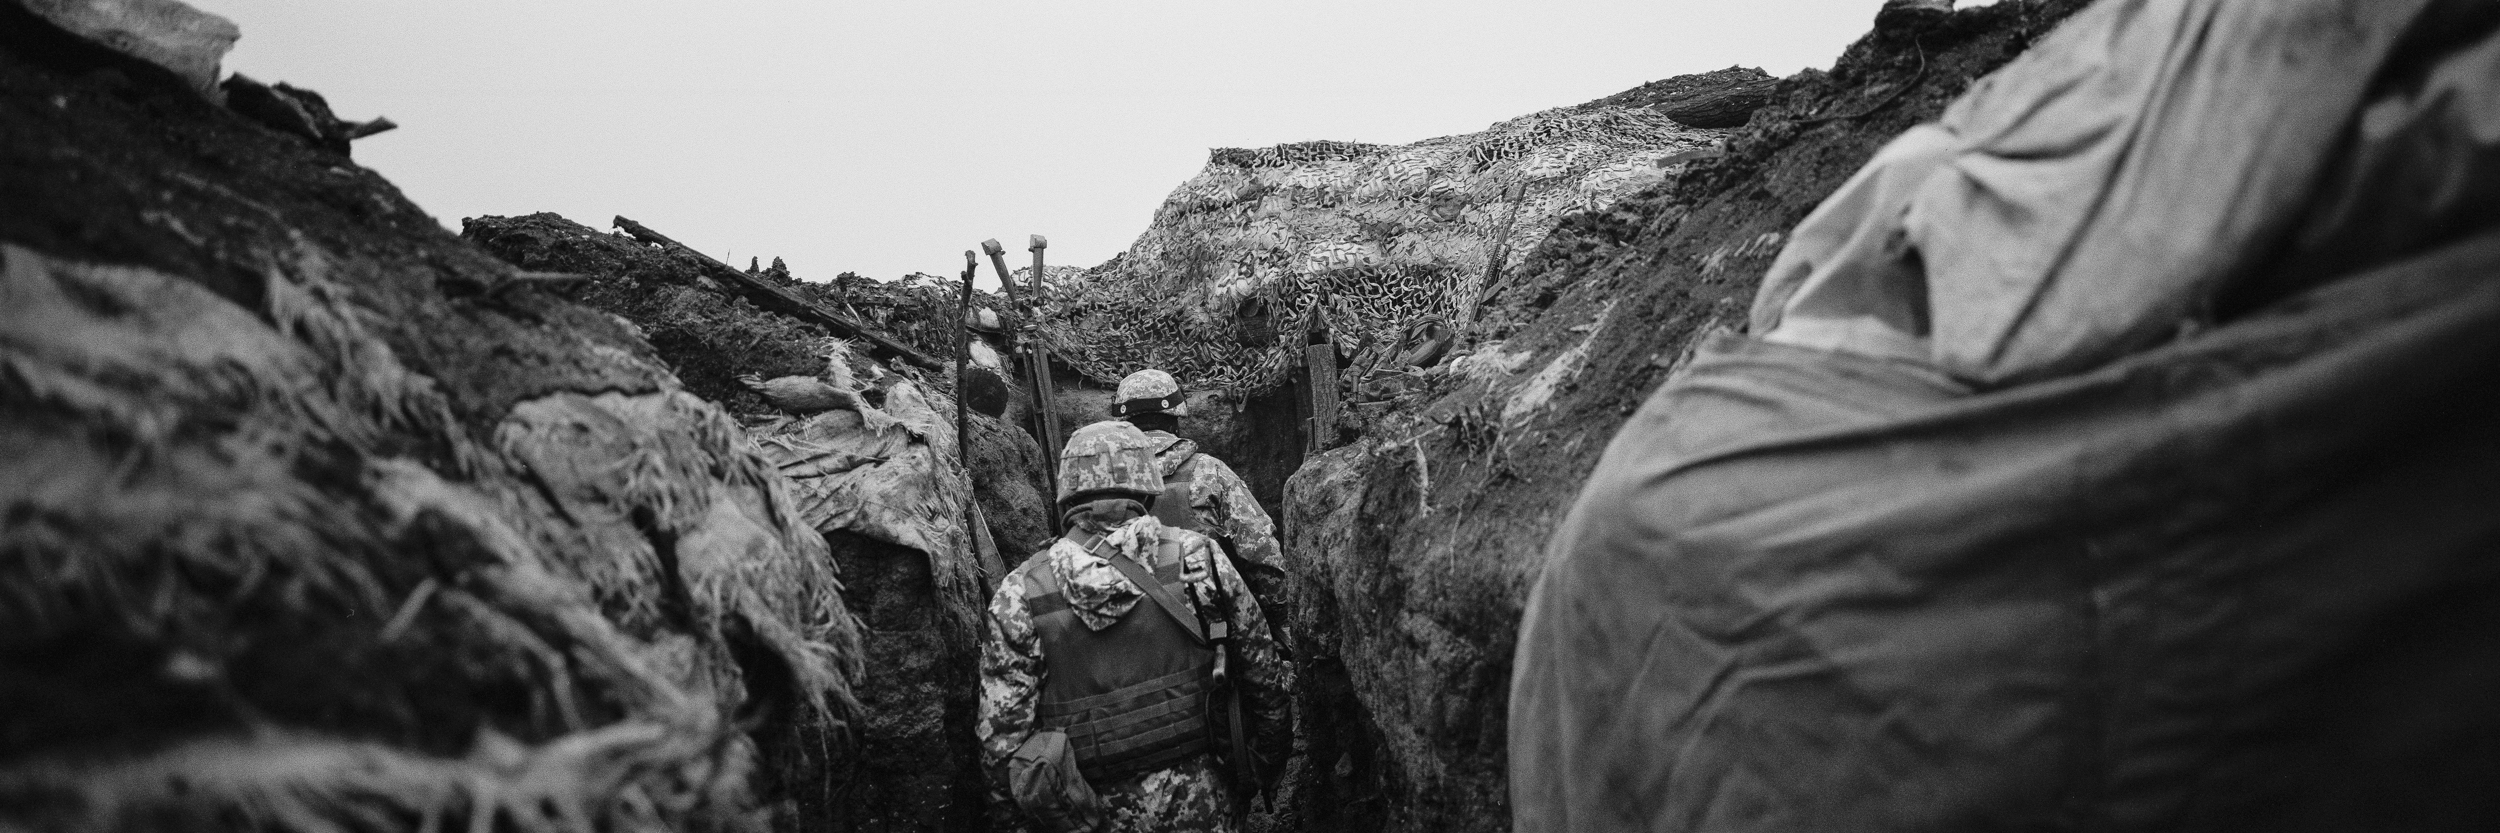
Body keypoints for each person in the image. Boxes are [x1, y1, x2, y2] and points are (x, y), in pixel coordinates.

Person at [978, 420, 1293, 833]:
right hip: (1207, 808)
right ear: (1147, 489)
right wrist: (1260, 770)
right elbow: (1264, 678)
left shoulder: (1021, 592)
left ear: (1067, 494)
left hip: (1086, 815)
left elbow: (1001, 744)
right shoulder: (1199, 558)